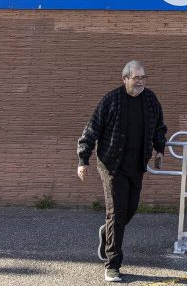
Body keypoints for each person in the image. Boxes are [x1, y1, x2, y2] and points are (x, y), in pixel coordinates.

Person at [77, 60, 167, 283]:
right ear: (124, 79)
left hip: (137, 167)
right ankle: (112, 265)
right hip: (111, 166)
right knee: (117, 214)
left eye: (143, 78)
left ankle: (107, 234)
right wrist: (83, 159)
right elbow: (92, 129)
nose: (141, 82)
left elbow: (159, 127)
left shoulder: (150, 100)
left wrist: (160, 149)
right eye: (136, 78)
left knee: (130, 210)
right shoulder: (111, 100)